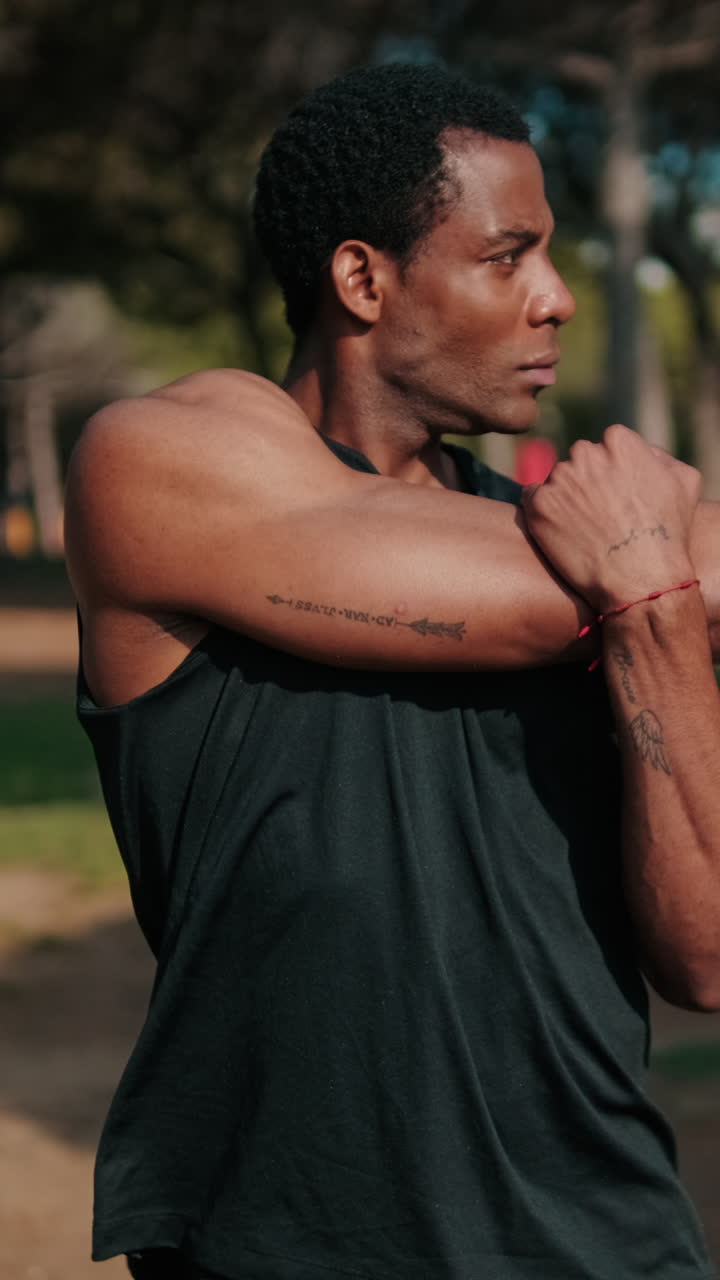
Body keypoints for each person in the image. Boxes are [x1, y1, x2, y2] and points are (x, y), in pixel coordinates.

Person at [64, 63, 720, 1280]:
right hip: (283, 1243)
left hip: (608, 1241)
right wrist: (659, 564)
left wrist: (660, 614)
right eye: (506, 255)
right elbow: (507, 586)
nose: (559, 298)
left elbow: (706, 956)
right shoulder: (155, 464)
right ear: (362, 278)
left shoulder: (618, 579)